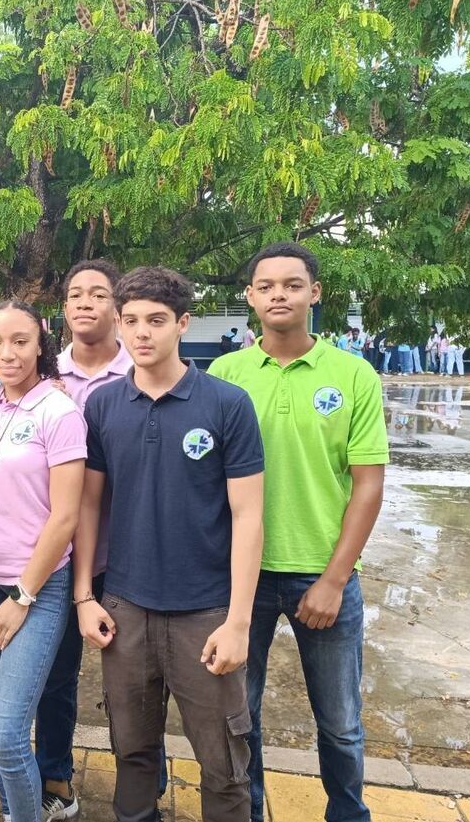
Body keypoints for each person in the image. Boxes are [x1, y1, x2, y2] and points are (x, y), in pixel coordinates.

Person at [76, 266, 265, 822]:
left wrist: (238, 621)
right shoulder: (103, 406)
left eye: (156, 320)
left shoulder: (227, 404)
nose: (142, 332)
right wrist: (85, 596)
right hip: (126, 608)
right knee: (132, 753)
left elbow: (248, 516)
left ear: (183, 323)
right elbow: (89, 506)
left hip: (205, 612)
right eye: (131, 320)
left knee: (224, 764)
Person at [209, 242, 388, 822]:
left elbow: (367, 485)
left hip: (323, 572)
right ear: (250, 297)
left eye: (292, 284)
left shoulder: (353, 375)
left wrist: (334, 580)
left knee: (340, 722)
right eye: (266, 286)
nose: (278, 295)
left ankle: (348, 813)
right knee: (242, 716)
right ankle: (250, 812)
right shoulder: (226, 374)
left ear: (315, 292)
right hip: (244, 578)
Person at [38, 259, 167, 820]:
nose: (85, 303)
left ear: (117, 306)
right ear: (64, 308)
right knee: (56, 674)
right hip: (59, 554)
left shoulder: (141, 368)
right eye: (75, 294)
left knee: (138, 681)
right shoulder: (46, 376)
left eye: (98, 293)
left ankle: (147, 783)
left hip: (130, 553)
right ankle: (55, 774)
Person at [0, 301, 87, 822]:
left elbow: (66, 517)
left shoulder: (59, 412)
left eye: (19, 341)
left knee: (7, 734)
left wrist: (23, 595)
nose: (7, 353)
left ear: (41, 343)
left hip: (35, 586)